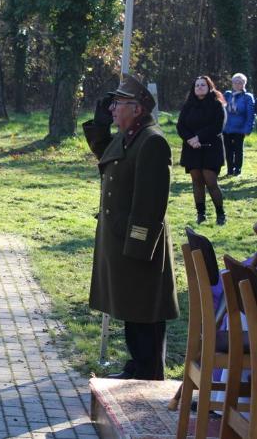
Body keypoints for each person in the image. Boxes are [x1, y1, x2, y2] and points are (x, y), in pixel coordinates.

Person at [82, 74, 178, 380]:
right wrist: (99, 127)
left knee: (144, 311)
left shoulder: (152, 141)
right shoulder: (130, 137)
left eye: (118, 104)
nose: (112, 109)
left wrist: (136, 249)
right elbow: (109, 158)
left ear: (137, 108)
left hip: (139, 245)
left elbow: (150, 205)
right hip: (123, 241)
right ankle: (137, 367)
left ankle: (148, 373)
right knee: (132, 309)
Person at [177, 75, 227, 225]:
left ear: (209, 87)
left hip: (211, 148)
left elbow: (218, 127)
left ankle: (220, 214)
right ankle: (201, 214)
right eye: (197, 85)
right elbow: (180, 126)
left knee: (210, 181)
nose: (199, 87)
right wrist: (190, 140)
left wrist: (199, 137)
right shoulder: (188, 106)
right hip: (191, 148)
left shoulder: (216, 105)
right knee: (197, 181)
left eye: (203, 85)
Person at [223, 73, 254, 177]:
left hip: (240, 128)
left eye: (240, 82)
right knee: (228, 150)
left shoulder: (248, 97)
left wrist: (248, 129)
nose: (237, 84)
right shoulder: (227, 94)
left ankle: (237, 170)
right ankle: (230, 170)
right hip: (226, 128)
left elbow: (250, 115)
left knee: (238, 150)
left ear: (244, 84)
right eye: (235, 82)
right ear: (232, 83)